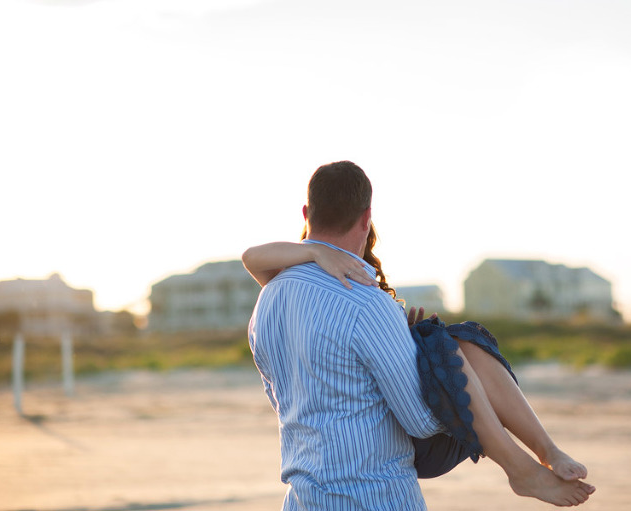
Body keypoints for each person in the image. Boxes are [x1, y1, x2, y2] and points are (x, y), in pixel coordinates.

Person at [246, 161, 595, 510]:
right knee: (456, 345)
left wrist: (406, 347)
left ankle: (534, 460)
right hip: (375, 497)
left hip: (302, 498)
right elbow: (421, 421)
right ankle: (527, 463)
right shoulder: (367, 301)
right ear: (367, 218)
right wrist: (438, 364)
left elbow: (290, 395)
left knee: (447, 346)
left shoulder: (268, 300)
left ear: (307, 213)